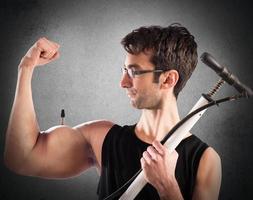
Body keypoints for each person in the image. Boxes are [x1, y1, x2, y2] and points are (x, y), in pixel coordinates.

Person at [4, 24, 221, 200]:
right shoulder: (101, 138)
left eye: (133, 72)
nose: (122, 82)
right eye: (124, 70)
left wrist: (168, 187)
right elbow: (22, 158)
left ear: (168, 79)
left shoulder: (204, 160)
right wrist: (25, 68)